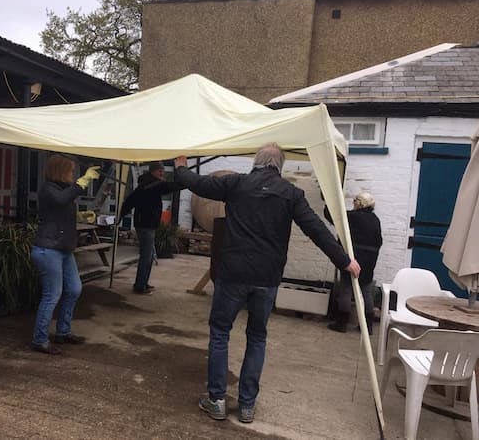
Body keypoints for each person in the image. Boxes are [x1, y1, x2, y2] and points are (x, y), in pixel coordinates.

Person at [173, 143, 360, 423]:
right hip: (267, 278)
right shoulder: (291, 194)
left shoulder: (236, 183)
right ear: (279, 166)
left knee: (221, 333)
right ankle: (247, 405)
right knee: (257, 337)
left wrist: (180, 167)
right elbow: (316, 230)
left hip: (232, 274)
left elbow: (199, 184)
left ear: (256, 162)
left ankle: (217, 400)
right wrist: (345, 261)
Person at [31, 155, 100, 355]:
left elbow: (60, 210)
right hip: (48, 248)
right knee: (52, 295)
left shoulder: (61, 189)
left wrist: (79, 216)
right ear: (60, 171)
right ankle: (39, 339)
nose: (73, 174)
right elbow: (61, 200)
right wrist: (83, 181)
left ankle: (63, 332)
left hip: (62, 248)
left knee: (74, 289)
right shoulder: (49, 189)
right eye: (70, 171)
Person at [120, 162, 184, 294]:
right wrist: (187, 180)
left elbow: (129, 202)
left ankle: (143, 283)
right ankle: (140, 286)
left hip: (146, 224)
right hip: (145, 225)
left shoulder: (145, 185)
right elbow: (170, 186)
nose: (162, 173)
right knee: (146, 256)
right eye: (160, 171)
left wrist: (121, 215)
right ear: (153, 172)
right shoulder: (152, 185)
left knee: (148, 255)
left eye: (163, 171)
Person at [325, 192, 382, 334]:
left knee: (346, 289)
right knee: (366, 292)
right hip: (369, 261)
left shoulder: (352, 217)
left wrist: (327, 200)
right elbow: (379, 241)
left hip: (352, 259)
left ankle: (342, 323)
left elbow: (332, 217)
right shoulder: (375, 220)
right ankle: (367, 326)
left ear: (358, 203)